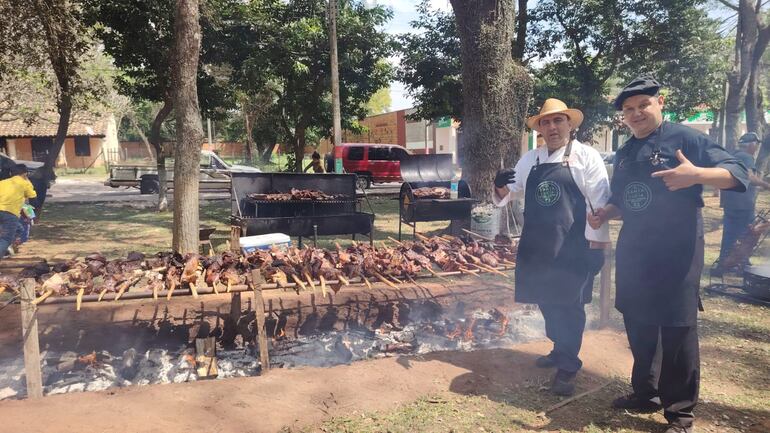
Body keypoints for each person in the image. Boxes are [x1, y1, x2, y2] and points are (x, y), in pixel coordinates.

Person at [588, 76, 749, 433]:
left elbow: (739, 173)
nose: (636, 113)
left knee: (677, 329)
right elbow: (622, 200)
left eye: (643, 105)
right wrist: (605, 213)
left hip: (677, 249)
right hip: (635, 250)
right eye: (629, 109)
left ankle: (680, 414)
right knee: (638, 321)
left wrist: (696, 175)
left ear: (660, 102)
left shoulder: (686, 138)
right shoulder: (627, 152)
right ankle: (646, 391)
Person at [493, 98, 610, 396]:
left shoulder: (586, 157)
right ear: (540, 128)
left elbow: (600, 205)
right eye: (546, 122)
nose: (552, 127)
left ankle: (569, 365)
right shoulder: (530, 159)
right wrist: (498, 184)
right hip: (537, 246)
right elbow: (507, 194)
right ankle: (560, 349)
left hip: (574, 247)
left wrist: (597, 247)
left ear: (569, 124)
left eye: (558, 121)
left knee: (570, 306)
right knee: (546, 300)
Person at [716, 132, 770, 272]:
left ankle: (726, 262)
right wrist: (766, 185)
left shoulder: (733, 155)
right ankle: (739, 263)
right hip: (742, 204)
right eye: (756, 144)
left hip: (731, 202)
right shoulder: (746, 157)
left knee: (730, 233)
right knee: (748, 234)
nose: (757, 147)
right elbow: (750, 177)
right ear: (751, 144)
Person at [0, 164, 37, 257]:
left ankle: (5, 249)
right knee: (6, 238)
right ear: (25, 174)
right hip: (10, 213)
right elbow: (33, 199)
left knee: (19, 229)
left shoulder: (3, 182)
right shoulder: (25, 183)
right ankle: (4, 247)